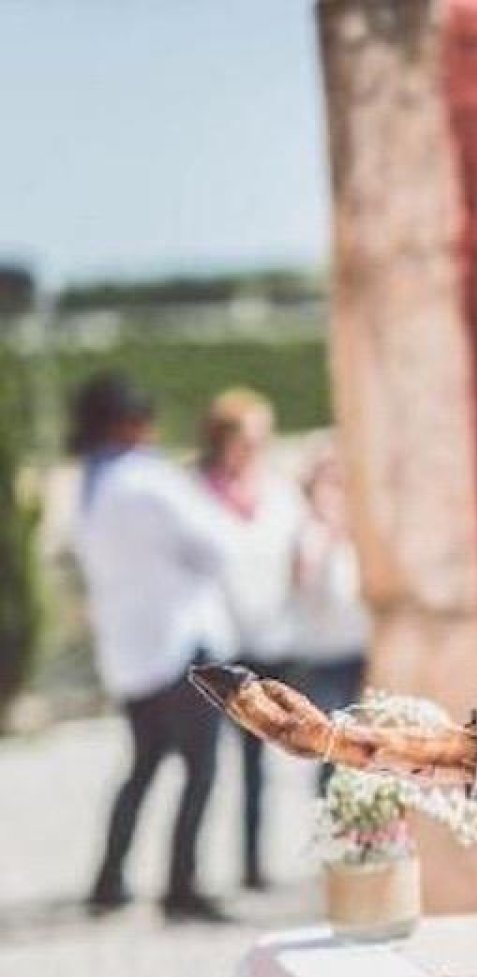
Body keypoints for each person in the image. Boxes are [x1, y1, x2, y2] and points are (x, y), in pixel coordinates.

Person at [69, 373, 234, 923]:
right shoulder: (150, 480)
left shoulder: (90, 485)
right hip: (180, 646)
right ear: (129, 424)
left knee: (141, 767)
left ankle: (109, 879)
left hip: (130, 653)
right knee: (201, 770)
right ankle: (181, 885)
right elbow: (215, 545)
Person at [197, 388, 303, 891]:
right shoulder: (198, 494)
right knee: (206, 762)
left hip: (271, 638)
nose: (254, 448)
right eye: (246, 438)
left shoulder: (280, 493)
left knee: (262, 760)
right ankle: (193, 871)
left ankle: (254, 863)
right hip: (220, 645)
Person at [286, 441, 370, 790]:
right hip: (325, 660)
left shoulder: (356, 531)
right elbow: (302, 581)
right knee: (332, 749)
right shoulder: (307, 532)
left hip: (361, 653)